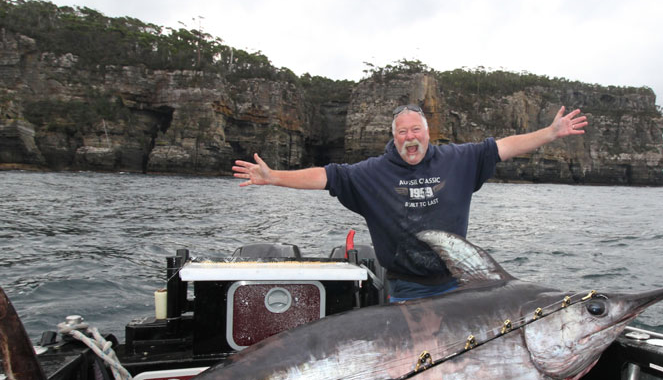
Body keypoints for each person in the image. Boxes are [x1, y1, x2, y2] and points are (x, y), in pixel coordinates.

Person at [232, 104, 588, 301]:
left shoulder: (459, 160)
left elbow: (505, 147)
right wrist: (273, 176)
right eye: (402, 132)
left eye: (415, 130)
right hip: (408, 287)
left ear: (428, 133)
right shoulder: (372, 173)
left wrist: (551, 133)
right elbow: (326, 176)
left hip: (461, 283)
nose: (409, 137)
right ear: (394, 137)